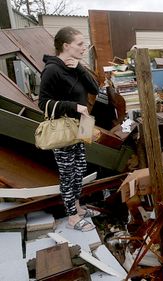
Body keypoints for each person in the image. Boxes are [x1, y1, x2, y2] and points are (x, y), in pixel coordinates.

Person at [39, 26, 100, 232]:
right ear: (66, 46)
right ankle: (73, 217)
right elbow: (43, 103)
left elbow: (95, 88)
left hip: (80, 127)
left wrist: (80, 68)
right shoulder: (52, 70)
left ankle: (78, 207)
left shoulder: (74, 67)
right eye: (80, 44)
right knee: (68, 174)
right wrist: (74, 106)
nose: (84, 48)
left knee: (80, 169)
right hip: (64, 128)